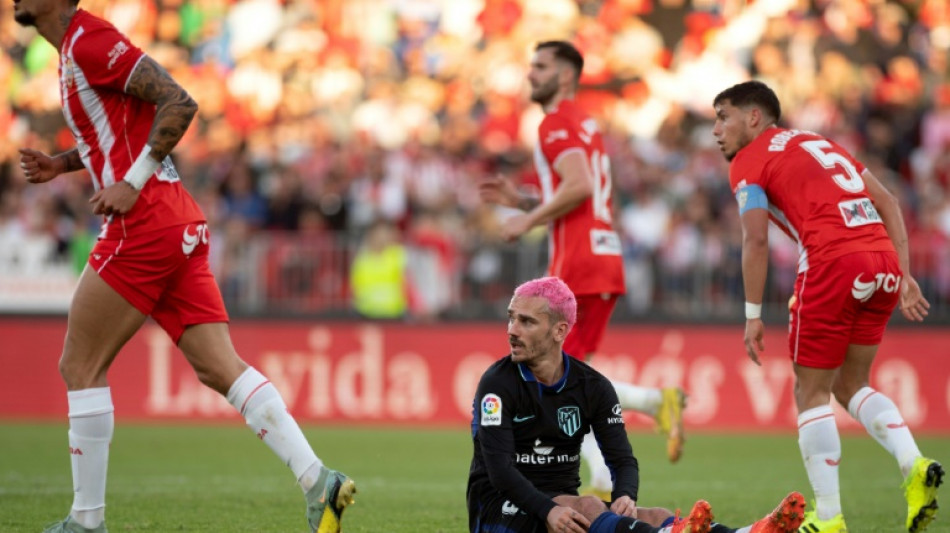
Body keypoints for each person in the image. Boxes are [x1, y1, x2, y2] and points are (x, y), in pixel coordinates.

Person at [13, 1, 354, 532]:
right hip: (177, 222)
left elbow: (178, 100)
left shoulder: (89, 40)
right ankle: (318, 481)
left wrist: (132, 182)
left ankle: (86, 522)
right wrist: (62, 164)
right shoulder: (73, 50)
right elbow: (115, 131)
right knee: (220, 367)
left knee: (79, 365)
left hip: (144, 222)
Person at [712, 80, 943, 533]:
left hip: (831, 262)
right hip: (881, 261)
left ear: (754, 117)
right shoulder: (815, 141)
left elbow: (755, 240)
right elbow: (889, 201)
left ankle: (829, 516)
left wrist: (752, 315)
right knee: (851, 383)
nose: (716, 130)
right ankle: (914, 465)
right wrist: (904, 274)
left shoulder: (748, 161)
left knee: (810, 392)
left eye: (723, 117)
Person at [478, 40, 686, 498]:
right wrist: (527, 201)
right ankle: (640, 425)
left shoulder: (554, 122)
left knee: (556, 375)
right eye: (531, 65)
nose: (531, 74)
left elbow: (578, 185)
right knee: (569, 371)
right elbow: (579, 192)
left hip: (577, 256)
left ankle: (617, 462)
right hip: (603, 253)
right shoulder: (585, 122)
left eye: (541, 66)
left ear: (566, 75)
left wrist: (527, 220)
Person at [467, 275, 807, 533]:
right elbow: (500, 472)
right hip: (499, 511)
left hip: (561, 508)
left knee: (655, 514)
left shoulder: (593, 386)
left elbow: (622, 459)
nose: (512, 330)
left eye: (526, 321)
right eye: (511, 318)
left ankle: (750, 532)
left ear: (559, 331)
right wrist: (548, 510)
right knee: (587, 506)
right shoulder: (497, 385)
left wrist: (625, 494)